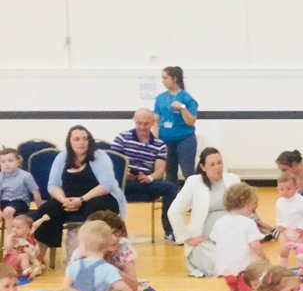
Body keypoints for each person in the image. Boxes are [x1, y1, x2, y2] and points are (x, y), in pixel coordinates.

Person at [72, 210, 207, 291]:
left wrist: (114, 272)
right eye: (108, 235)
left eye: (116, 232)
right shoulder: (81, 257)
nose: (114, 238)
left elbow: (133, 284)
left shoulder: (123, 245)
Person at [33, 126, 125, 260]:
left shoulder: (100, 157)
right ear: (69, 142)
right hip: (68, 198)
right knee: (46, 210)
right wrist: (63, 200)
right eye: (76, 139)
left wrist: (81, 199)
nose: (81, 142)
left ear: (89, 141)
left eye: (84, 139)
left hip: (96, 197)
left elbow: (107, 185)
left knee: (98, 212)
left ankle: (95, 255)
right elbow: (53, 186)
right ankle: (38, 258)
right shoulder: (61, 157)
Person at [167, 147, 241, 278]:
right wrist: (186, 238)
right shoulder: (194, 182)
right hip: (204, 242)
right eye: (212, 164)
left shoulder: (233, 179)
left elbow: (244, 208)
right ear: (203, 167)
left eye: (219, 162)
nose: (217, 167)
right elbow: (173, 211)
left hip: (231, 238)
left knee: (242, 260)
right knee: (218, 262)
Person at [112, 108, 179, 241]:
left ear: (153, 123)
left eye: (146, 124)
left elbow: (160, 171)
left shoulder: (159, 145)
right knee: (106, 187)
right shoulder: (122, 138)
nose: (142, 127)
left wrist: (149, 177)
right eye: (139, 123)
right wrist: (124, 173)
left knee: (171, 187)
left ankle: (169, 230)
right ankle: (111, 230)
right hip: (123, 184)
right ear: (134, 121)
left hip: (145, 184)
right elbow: (113, 163)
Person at [210, 182, 267, 291]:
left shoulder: (220, 222)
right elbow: (255, 245)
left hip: (225, 268)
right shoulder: (248, 223)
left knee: (233, 289)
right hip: (242, 268)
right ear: (246, 203)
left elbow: (214, 239)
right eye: (253, 205)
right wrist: (263, 258)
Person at [154, 66, 198, 183]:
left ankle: (192, 194)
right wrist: (155, 139)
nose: (163, 81)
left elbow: (191, 121)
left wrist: (182, 108)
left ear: (174, 79)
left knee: (188, 172)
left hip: (185, 139)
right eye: (162, 78)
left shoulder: (187, 98)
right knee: (169, 173)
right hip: (166, 139)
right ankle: (171, 195)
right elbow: (156, 120)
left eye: (165, 78)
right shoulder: (160, 98)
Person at [274, 171, 303, 262]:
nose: (285, 192)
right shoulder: (279, 202)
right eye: (281, 189)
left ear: (296, 187)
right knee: (283, 251)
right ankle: (282, 268)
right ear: (277, 189)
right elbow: (278, 216)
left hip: (299, 232)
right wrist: (279, 224)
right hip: (285, 232)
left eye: (288, 188)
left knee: (301, 252)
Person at [0, 147, 41, 219]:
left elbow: (35, 193)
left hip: (20, 202)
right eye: (3, 162)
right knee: (6, 210)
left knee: (8, 211)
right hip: (4, 202)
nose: (6, 164)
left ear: (18, 162)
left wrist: (41, 210)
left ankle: (9, 227)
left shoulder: (26, 176)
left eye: (10, 161)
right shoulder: (1, 176)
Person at [3, 213, 46, 280]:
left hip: (23, 263)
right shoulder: (14, 239)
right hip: (11, 261)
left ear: (28, 230)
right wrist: (9, 238)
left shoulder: (29, 236)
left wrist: (43, 219)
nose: (14, 229)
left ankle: (31, 271)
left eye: (18, 228)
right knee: (24, 256)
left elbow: (34, 225)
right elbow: (7, 248)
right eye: (13, 226)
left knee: (36, 262)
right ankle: (27, 272)